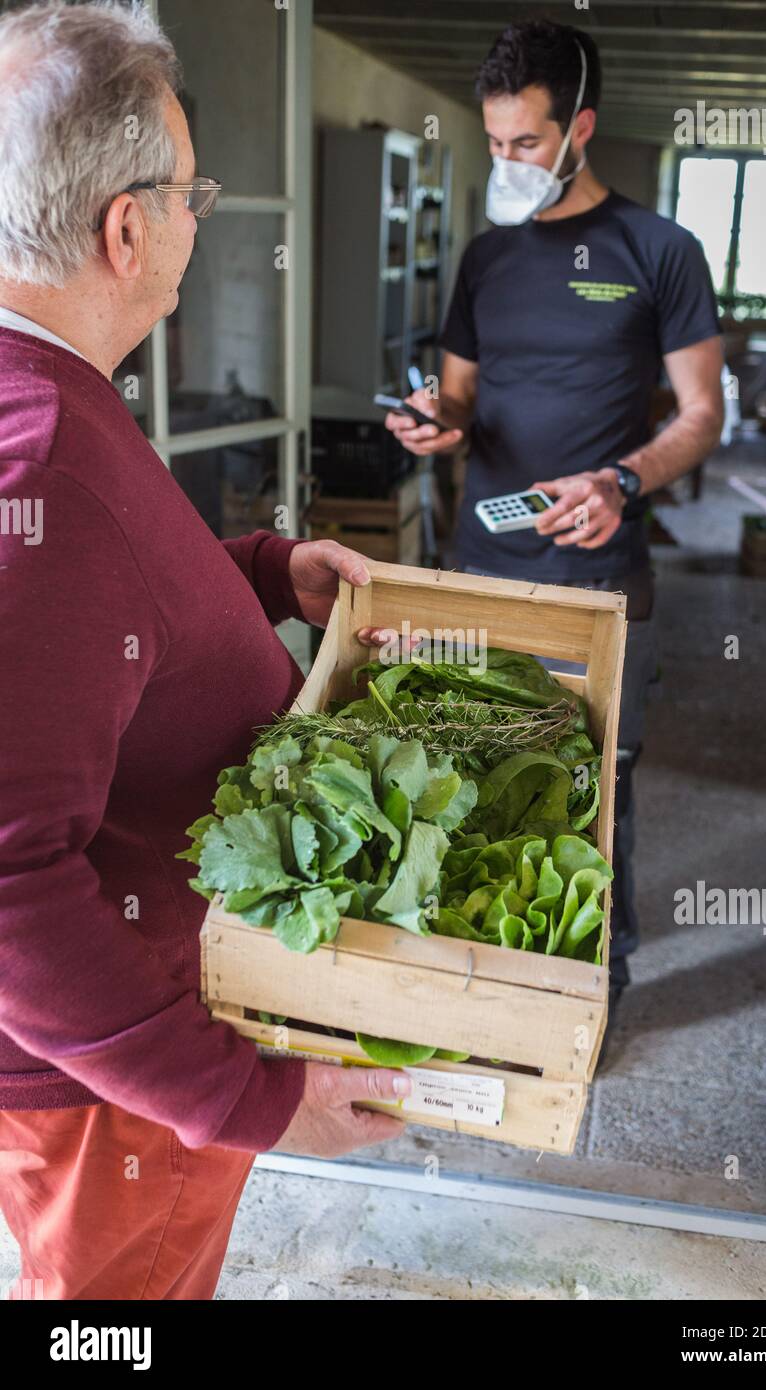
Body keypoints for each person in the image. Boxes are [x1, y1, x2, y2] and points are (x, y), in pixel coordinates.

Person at [0, 0, 407, 1302]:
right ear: (128, 227)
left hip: (120, 1048)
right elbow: (10, 887)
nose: (198, 215)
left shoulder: (50, 392)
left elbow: (103, 633)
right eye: (192, 191)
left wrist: (264, 574)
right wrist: (247, 1098)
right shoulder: (45, 467)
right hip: (110, 1091)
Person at [386, 20, 724, 1036]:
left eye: (523, 143)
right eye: (491, 143)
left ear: (578, 128)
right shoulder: (486, 259)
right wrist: (428, 427)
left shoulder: (657, 250)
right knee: (477, 770)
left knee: (592, 784)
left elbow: (703, 414)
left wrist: (623, 478)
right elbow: (456, 403)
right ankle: (482, 988)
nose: (503, 163)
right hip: (482, 563)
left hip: (598, 577)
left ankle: (594, 998)